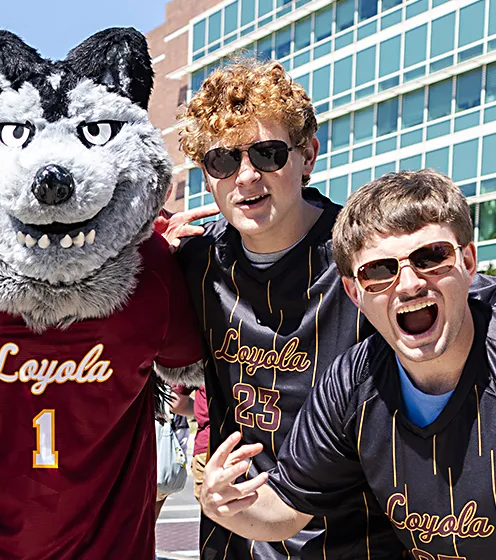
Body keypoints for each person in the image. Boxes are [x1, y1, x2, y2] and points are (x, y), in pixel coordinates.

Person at [166, 59, 407, 559]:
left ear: (308, 156)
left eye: (269, 153)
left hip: (356, 536)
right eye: (223, 161)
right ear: (207, 176)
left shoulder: (364, 256)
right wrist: (147, 259)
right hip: (235, 528)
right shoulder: (193, 261)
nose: (247, 176)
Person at [201, 169, 496, 558]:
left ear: (469, 261)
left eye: (431, 257)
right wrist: (224, 504)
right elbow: (287, 509)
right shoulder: (353, 383)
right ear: (353, 292)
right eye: (379, 271)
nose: (409, 284)